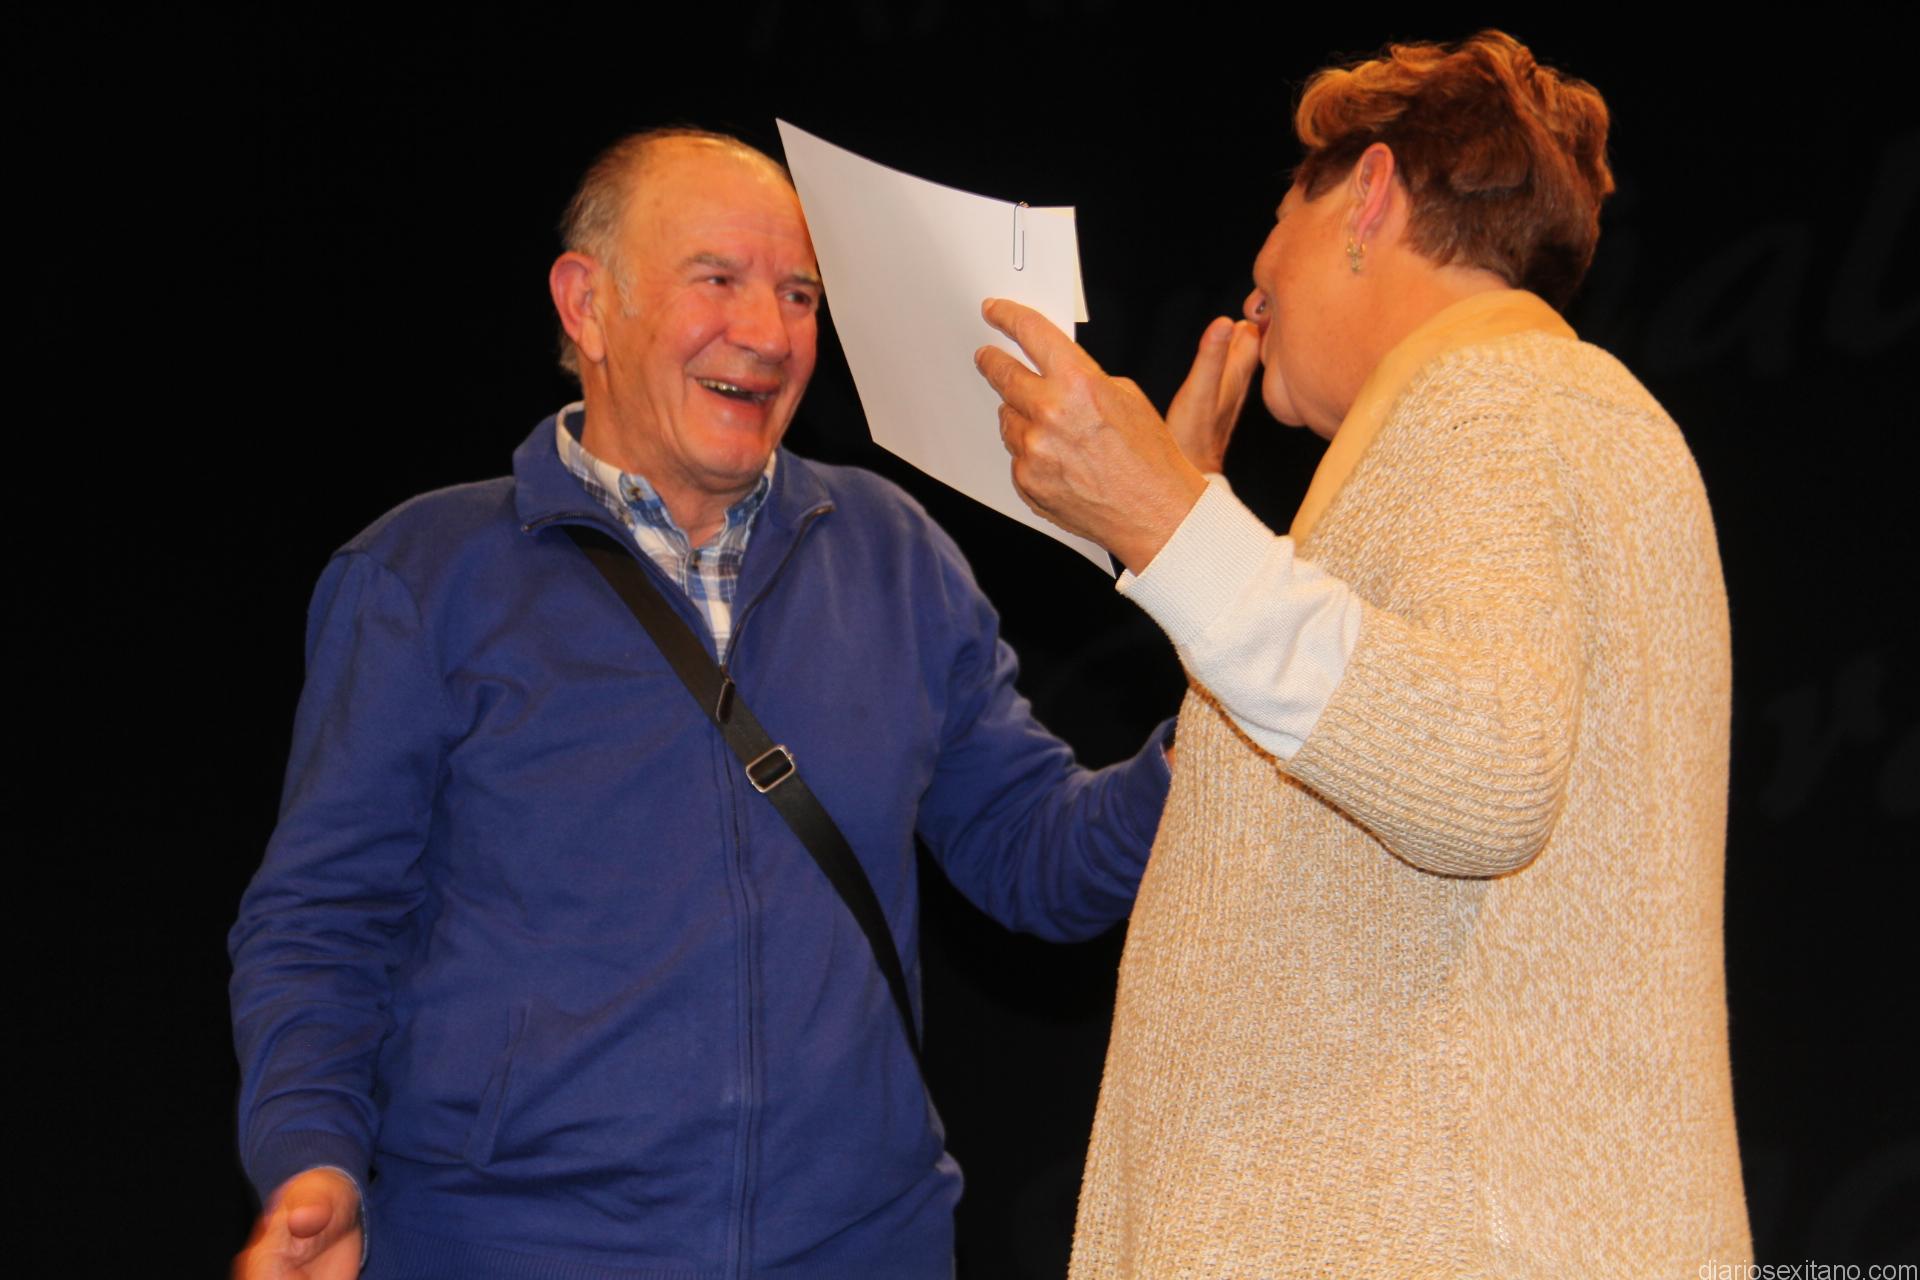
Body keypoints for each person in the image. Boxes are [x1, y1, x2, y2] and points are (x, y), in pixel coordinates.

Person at [229, 128, 1173, 1280]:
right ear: (587, 305)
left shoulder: (893, 552)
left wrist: (1215, 731)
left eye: (799, 294)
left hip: (859, 1248)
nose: (769, 333)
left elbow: (1039, 859)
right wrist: (311, 1154)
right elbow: (322, 920)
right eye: (717, 279)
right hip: (516, 1246)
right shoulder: (423, 575)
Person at [976, 31, 1751, 1276]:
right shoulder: (1530, 416)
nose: (1257, 286)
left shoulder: (1500, 400)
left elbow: (1481, 768)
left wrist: (1169, 522)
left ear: (1370, 195)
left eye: (1278, 223)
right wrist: (1186, 520)